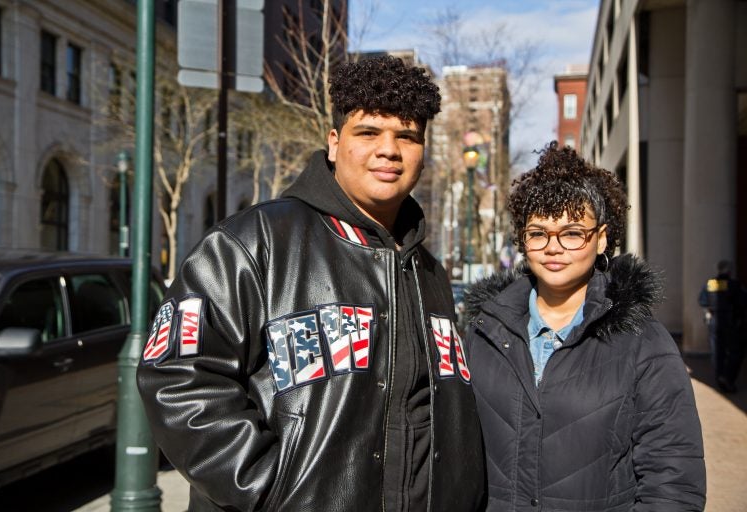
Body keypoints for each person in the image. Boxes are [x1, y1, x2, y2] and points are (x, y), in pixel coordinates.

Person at [136, 55, 484, 511]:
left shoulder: (428, 271)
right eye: (368, 133)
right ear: (335, 143)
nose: (389, 150)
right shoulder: (252, 243)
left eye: (406, 136)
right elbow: (177, 377)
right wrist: (269, 487)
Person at [465, 142, 706, 511]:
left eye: (573, 232)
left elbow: (673, 480)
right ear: (523, 241)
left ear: (602, 237)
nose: (553, 247)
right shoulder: (482, 333)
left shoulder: (643, 341)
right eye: (538, 232)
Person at [698, 260, 746, 392]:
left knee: (717, 351)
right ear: (730, 271)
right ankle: (727, 377)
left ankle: (720, 377)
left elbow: (702, 300)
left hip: (713, 321)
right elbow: (743, 302)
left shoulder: (710, 283)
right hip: (730, 321)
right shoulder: (734, 284)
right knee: (735, 351)